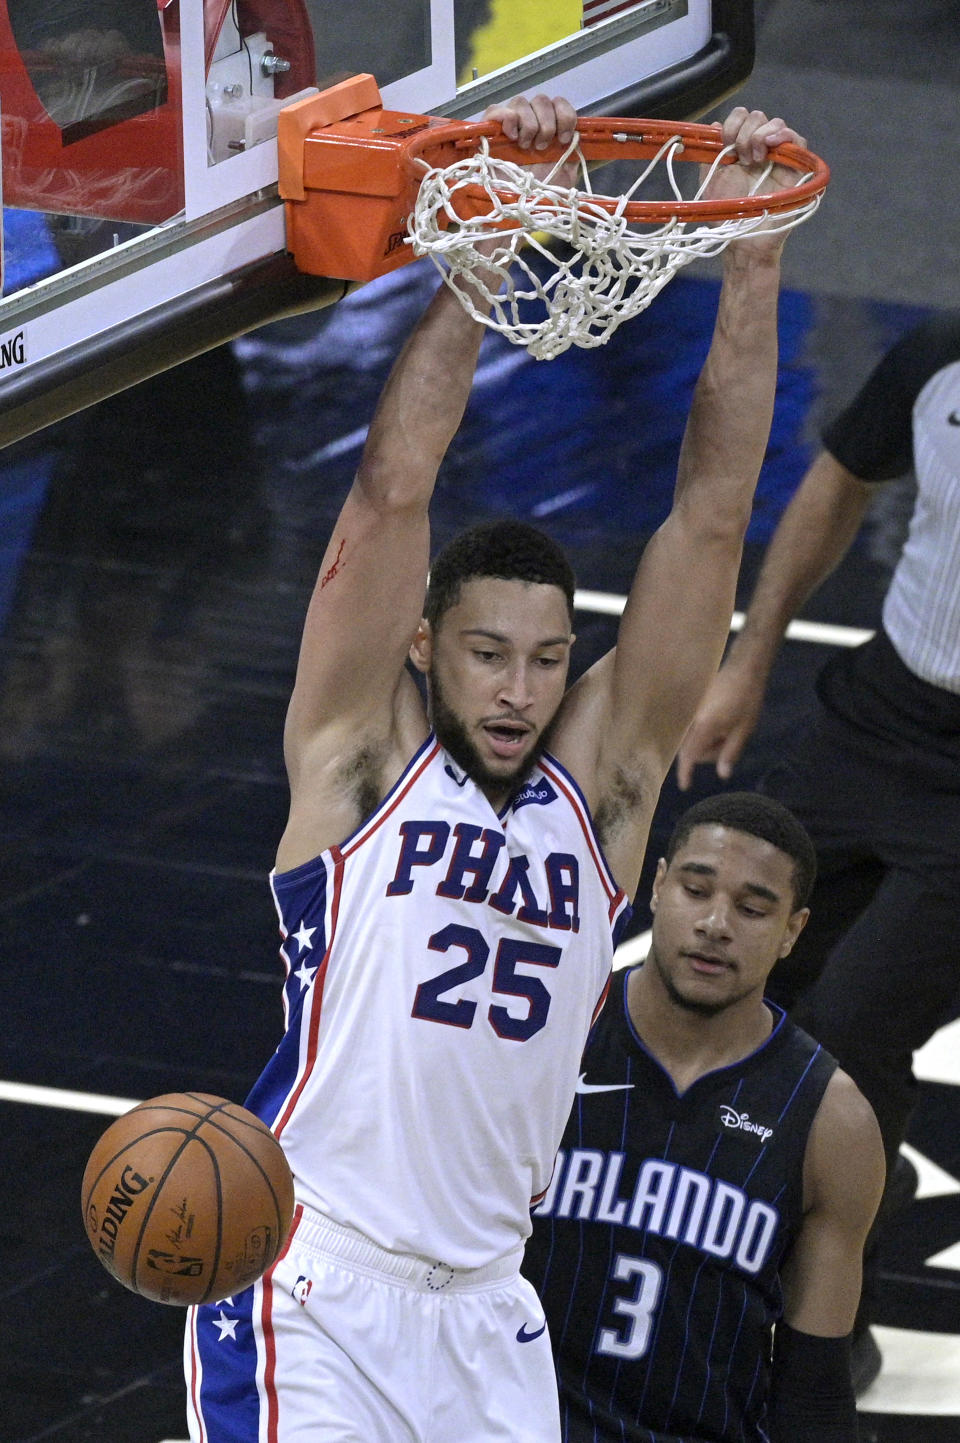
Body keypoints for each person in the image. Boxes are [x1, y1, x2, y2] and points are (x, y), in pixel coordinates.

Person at [184, 95, 808, 1443]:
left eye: (547, 658)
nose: (522, 689)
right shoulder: (358, 758)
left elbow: (712, 514)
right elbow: (391, 492)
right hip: (314, 1278)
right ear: (424, 647)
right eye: (487, 654)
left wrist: (750, 266)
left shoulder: (607, 794)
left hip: (486, 1311)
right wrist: (484, 234)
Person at [675, 313, 960, 1381]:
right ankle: (708, 1243)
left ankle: (831, 1324)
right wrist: (750, 662)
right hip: (878, 714)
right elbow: (841, 478)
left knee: (852, 1030)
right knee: (742, 973)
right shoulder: (939, 357)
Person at [524, 791, 885, 1443]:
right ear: (658, 888)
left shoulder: (834, 1122)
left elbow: (814, 1390)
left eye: (752, 908)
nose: (716, 923)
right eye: (697, 890)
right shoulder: (544, 1031)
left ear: (793, 930)